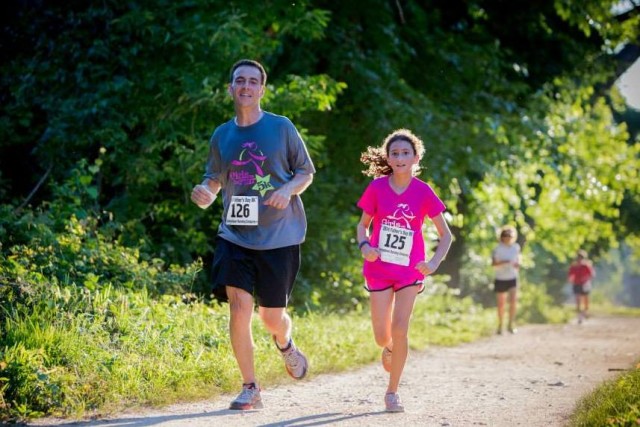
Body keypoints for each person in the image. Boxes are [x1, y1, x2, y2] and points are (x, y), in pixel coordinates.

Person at [191, 59, 315, 410]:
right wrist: (205, 191)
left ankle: (285, 343)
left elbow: (306, 172)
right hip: (235, 235)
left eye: (252, 81)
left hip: (280, 236)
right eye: (239, 81)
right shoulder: (222, 135)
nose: (245, 86)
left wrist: (289, 189)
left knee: (270, 317)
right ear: (230, 88)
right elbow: (214, 178)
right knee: (239, 307)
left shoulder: (281, 128)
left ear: (262, 89)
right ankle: (251, 387)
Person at [356, 128, 452, 413]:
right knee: (382, 336)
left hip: (411, 270)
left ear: (416, 157)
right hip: (379, 268)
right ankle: (388, 348)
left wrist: (433, 263)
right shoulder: (376, 188)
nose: (399, 158)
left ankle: (392, 392)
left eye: (405, 153)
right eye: (395, 153)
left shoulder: (424, 192)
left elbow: (445, 235)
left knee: (400, 328)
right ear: (388, 157)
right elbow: (363, 224)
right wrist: (364, 246)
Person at [491, 225, 521, 335]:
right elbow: (493, 264)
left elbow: (518, 262)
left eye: (510, 235)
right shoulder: (497, 249)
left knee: (513, 301)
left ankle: (511, 324)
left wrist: (517, 264)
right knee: (501, 304)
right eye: (506, 235)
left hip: (512, 277)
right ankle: (500, 325)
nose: (508, 237)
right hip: (500, 278)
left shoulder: (516, 247)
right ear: (502, 237)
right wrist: (505, 262)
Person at [568, 249, 596, 323]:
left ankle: (585, 312)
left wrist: (586, 278)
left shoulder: (586, 266)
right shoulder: (574, 266)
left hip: (585, 284)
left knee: (586, 300)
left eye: (581, 257)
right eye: (578, 257)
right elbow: (570, 275)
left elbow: (592, 275)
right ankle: (579, 316)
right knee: (578, 300)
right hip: (576, 284)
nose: (579, 259)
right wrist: (571, 279)